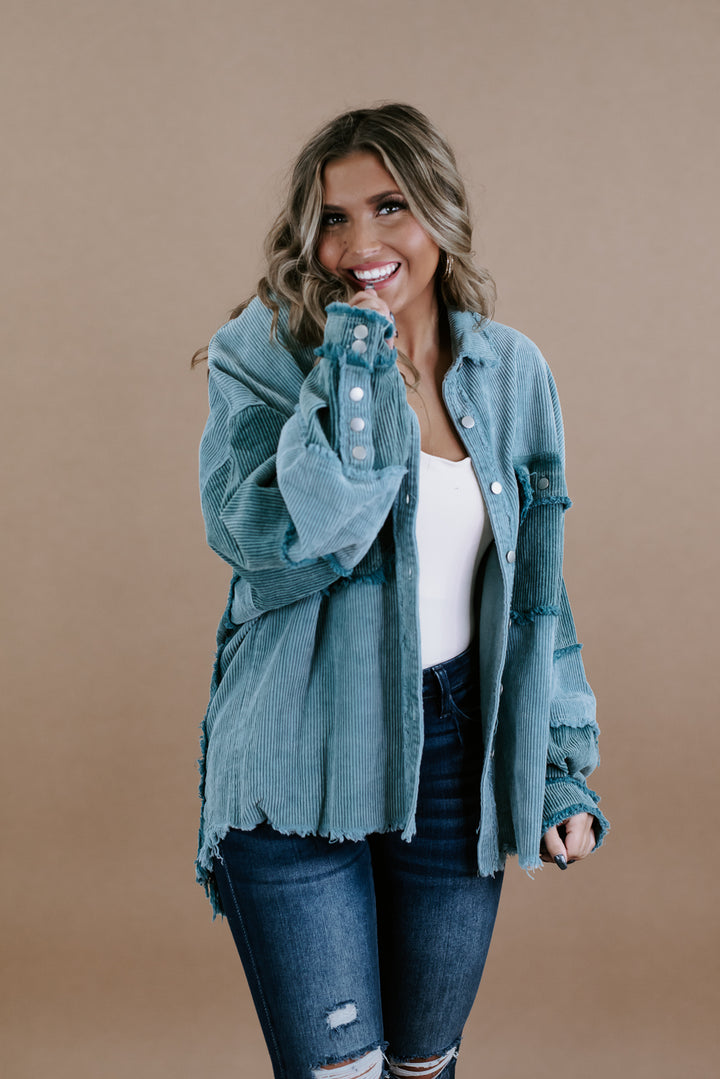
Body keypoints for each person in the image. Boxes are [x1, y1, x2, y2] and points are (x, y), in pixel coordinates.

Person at [192, 103, 608, 1079]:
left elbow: (536, 590)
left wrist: (558, 768)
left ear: (439, 212)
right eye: (334, 218)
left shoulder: (511, 372)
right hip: (295, 753)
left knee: (425, 1067)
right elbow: (279, 547)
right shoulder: (262, 354)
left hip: (457, 751)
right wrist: (357, 367)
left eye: (390, 207)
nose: (361, 244)